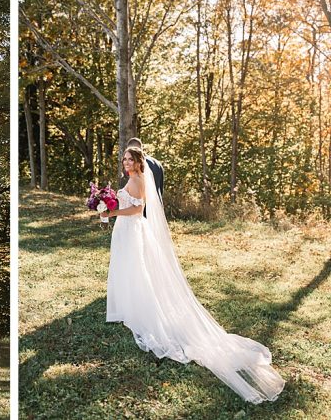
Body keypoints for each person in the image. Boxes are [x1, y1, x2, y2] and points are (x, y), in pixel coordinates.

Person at [100, 146, 284, 403]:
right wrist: (106, 203)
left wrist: (112, 212)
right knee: (128, 268)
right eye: (124, 159)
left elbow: (136, 209)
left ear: (138, 162)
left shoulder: (139, 179)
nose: (125, 162)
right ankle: (128, 306)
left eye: (130, 159)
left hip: (132, 228)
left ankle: (139, 309)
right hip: (125, 230)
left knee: (136, 269)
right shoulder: (130, 179)